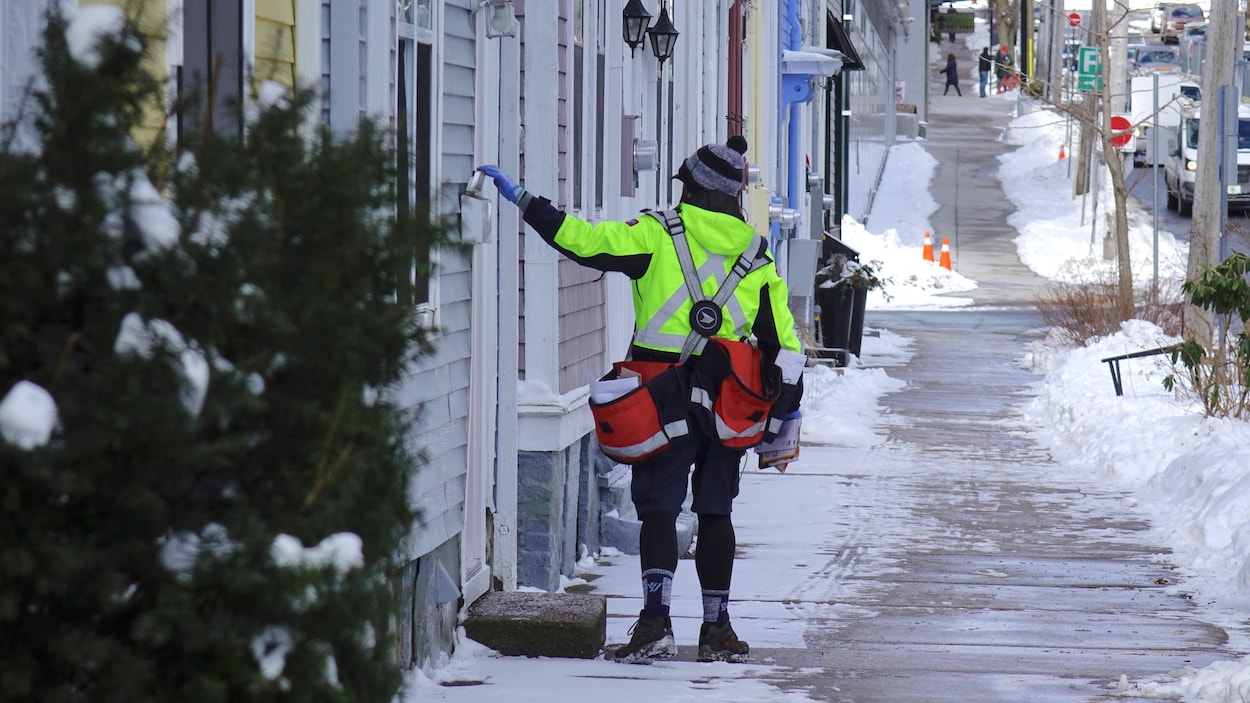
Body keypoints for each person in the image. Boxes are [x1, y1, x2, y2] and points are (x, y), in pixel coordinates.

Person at [476, 136, 804, 665]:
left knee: (658, 511)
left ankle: (654, 626)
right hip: (727, 404)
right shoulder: (756, 253)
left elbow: (584, 241)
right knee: (716, 512)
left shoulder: (656, 232)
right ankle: (717, 630)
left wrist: (525, 201)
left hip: (661, 397)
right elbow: (784, 345)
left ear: (693, 188)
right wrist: (786, 414)